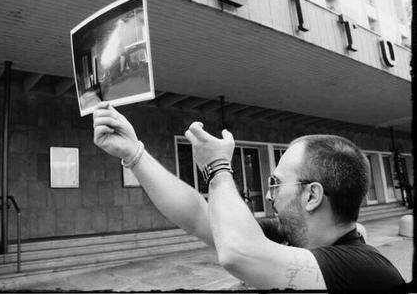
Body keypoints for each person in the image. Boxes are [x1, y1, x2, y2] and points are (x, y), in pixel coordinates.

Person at [92, 102, 405, 291]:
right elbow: (200, 216)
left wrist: (218, 168)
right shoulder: (291, 236)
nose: (270, 196)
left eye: (276, 183)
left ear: (312, 195)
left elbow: (238, 253)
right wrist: (134, 154)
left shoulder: (366, 270)